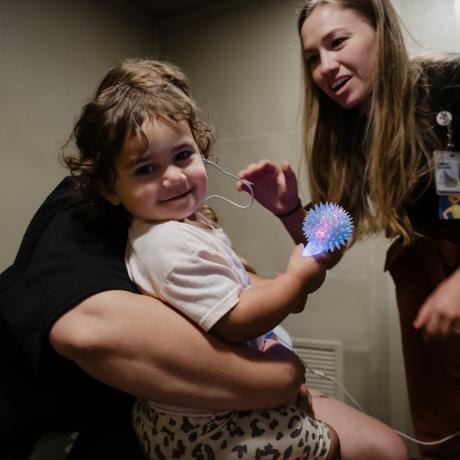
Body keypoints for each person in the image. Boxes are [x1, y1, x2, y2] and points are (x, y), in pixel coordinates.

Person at [0, 57, 407, 460]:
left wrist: (291, 227)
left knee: (384, 443)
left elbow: (251, 288)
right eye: (145, 168)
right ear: (108, 185)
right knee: (337, 445)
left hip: (211, 404)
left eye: (182, 156)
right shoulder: (158, 240)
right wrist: (283, 367)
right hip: (201, 426)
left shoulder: (185, 222)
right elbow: (229, 317)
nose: (174, 177)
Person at [237, 1, 460, 459]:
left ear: (382, 32)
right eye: (312, 58)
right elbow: (327, 245)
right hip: (426, 265)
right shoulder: (348, 129)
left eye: (338, 42)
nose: (325, 67)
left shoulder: (450, 86)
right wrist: (288, 211)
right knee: (443, 429)